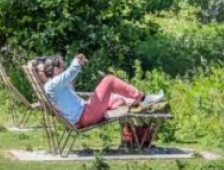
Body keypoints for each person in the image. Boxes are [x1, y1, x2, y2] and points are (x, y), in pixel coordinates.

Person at [34, 53, 166, 128]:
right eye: (61, 67)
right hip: (85, 115)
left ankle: (140, 104)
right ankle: (144, 99)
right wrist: (77, 60)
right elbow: (71, 72)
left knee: (116, 98)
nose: (63, 69)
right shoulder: (52, 85)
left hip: (85, 112)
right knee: (109, 80)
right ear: (56, 69)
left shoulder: (53, 86)